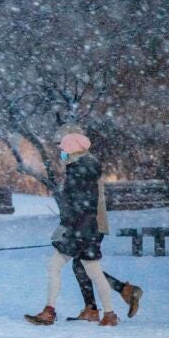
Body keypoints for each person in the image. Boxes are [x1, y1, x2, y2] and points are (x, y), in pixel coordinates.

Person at [52, 125, 143, 322]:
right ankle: (110, 298)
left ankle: (104, 303)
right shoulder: (85, 163)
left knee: (83, 264)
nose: (61, 153)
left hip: (91, 223)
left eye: (62, 147)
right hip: (91, 222)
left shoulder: (84, 166)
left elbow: (84, 201)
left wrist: (71, 224)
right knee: (83, 265)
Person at [25, 133, 118, 326]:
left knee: (54, 266)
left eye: (64, 150)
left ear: (73, 149)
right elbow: (85, 205)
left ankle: (49, 311)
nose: (62, 154)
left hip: (77, 230)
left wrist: (65, 228)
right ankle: (109, 314)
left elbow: (74, 206)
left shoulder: (77, 171)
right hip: (88, 229)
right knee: (94, 271)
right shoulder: (89, 168)